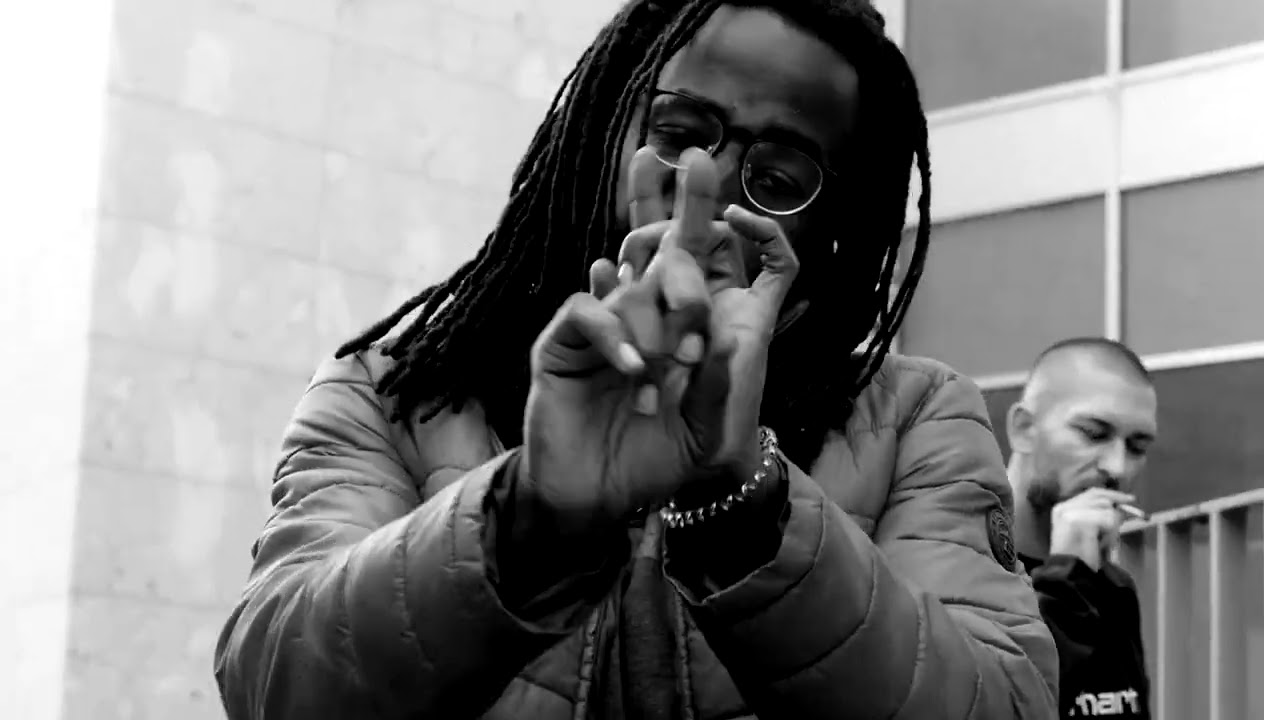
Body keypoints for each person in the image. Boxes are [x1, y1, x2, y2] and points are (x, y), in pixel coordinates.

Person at [214, 1, 1058, 718]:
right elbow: (275, 683)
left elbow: (1005, 700)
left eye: (778, 178)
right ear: (599, 131)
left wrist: (746, 498)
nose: (706, 187)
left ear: (834, 226)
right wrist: (532, 515)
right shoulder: (392, 394)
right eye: (679, 133)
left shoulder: (914, 417)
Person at [1005, 337, 1159, 719]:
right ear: (1024, 429)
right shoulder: (955, 567)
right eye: (1093, 433)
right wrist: (1067, 583)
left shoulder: (1112, 588)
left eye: (1137, 447)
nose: (1117, 467)